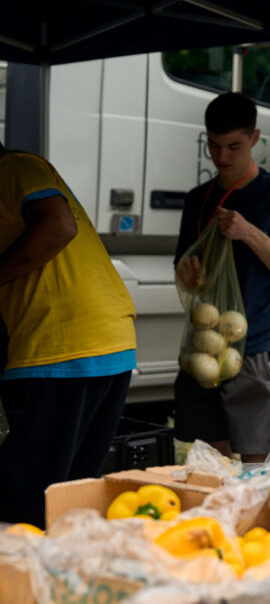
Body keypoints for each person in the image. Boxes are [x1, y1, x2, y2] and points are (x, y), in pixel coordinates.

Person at [0, 142, 137, 527]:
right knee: (68, 501)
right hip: (108, 340)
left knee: (27, 508)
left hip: (60, 348)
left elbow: (60, 225)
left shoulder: (14, 169)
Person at [173, 93, 270, 462]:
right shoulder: (198, 199)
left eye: (233, 146)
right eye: (214, 146)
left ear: (254, 138)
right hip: (205, 343)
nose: (222, 157)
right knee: (208, 458)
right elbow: (185, 273)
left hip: (260, 342)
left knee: (256, 459)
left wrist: (248, 232)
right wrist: (189, 276)